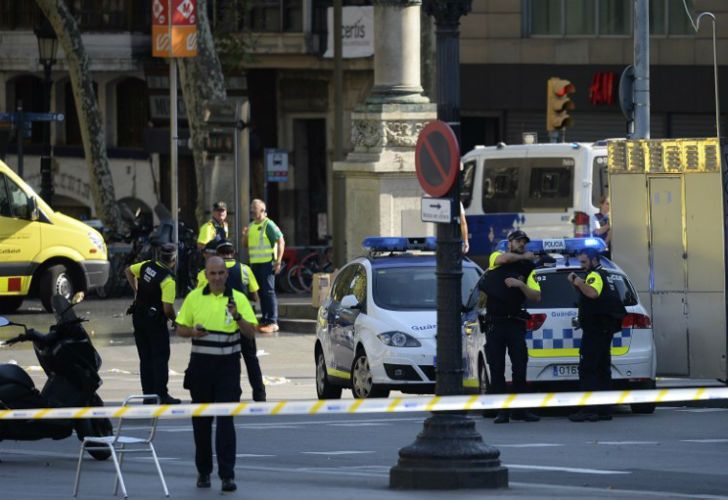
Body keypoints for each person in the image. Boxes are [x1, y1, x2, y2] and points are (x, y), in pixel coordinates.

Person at [175, 256, 258, 492]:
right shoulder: (194, 298)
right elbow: (180, 329)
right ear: (206, 275)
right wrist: (192, 331)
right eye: (213, 273)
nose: (217, 277)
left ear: (226, 274)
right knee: (201, 422)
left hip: (228, 368)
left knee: (225, 422)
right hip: (201, 367)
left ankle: (227, 475)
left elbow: (251, 334)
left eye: (221, 273)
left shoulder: (238, 299)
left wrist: (238, 317)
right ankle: (203, 472)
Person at [480, 229, 541, 424]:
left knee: (519, 367)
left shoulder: (528, 268)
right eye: (518, 241)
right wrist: (521, 256)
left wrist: (520, 285)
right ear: (510, 243)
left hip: (514, 323)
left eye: (524, 242)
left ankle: (520, 410)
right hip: (495, 324)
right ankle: (502, 411)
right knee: (497, 369)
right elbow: (504, 260)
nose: (521, 244)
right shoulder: (497, 256)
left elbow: (536, 296)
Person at [197, 240, 266, 402]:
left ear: (218, 255)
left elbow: (200, 295)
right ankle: (259, 393)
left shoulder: (206, 273)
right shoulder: (245, 269)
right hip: (242, 321)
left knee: (226, 360)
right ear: (233, 253)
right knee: (251, 358)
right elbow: (255, 296)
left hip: (219, 323)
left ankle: (232, 392)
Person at [567, 248, 626, 422]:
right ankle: (604, 410)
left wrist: (577, 281)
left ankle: (589, 409)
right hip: (604, 329)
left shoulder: (595, 275)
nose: (582, 266)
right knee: (602, 370)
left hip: (594, 330)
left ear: (594, 260)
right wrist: (578, 284)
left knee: (588, 369)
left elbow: (592, 293)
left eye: (584, 262)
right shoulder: (608, 275)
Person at [124, 243, 181, 405]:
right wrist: (175, 321)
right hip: (155, 322)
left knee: (145, 358)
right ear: (174, 260)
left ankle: (148, 395)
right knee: (160, 358)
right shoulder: (168, 280)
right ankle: (161, 394)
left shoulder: (147, 265)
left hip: (139, 318)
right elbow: (168, 308)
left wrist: (136, 291)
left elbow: (128, 271)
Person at [244, 199, 285, 333]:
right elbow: (246, 245)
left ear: (262, 210)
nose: (251, 211)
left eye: (254, 208)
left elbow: (281, 241)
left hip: (267, 264)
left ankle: (273, 321)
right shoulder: (251, 226)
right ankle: (265, 319)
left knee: (268, 292)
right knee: (261, 292)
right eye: (251, 208)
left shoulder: (269, 224)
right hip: (255, 264)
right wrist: (245, 236)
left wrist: (278, 261)